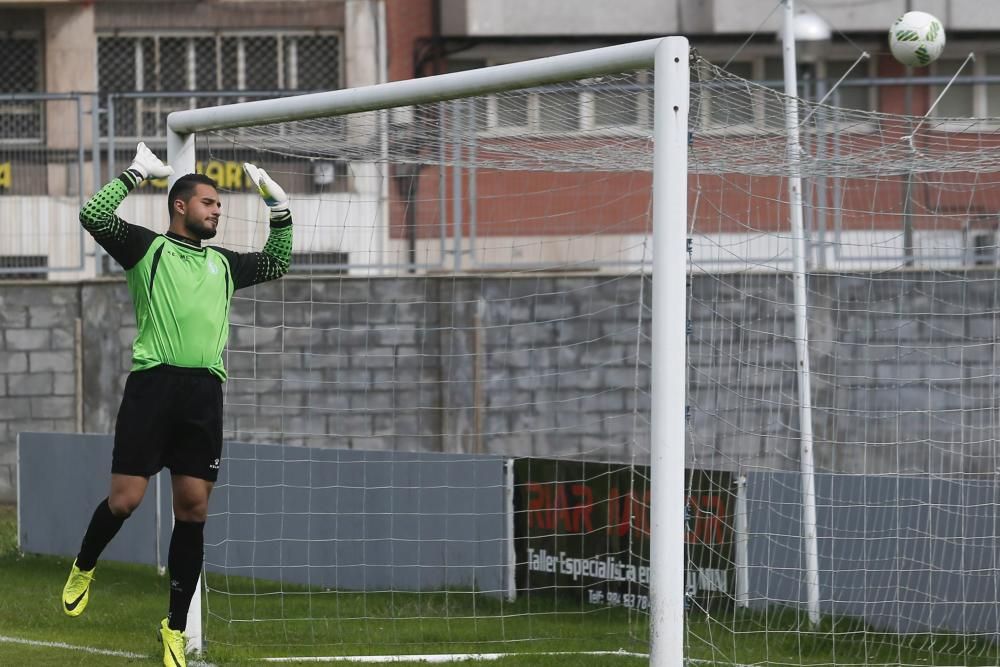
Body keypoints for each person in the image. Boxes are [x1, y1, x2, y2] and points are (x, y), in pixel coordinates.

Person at [61, 142, 293, 667]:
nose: (217, 211)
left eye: (219, 205)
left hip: (203, 395)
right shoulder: (147, 248)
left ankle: (173, 627)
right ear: (180, 206)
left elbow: (279, 260)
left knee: (193, 511)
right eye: (209, 203)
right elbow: (92, 213)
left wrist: (278, 207)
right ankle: (84, 563)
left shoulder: (224, 263)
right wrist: (138, 171)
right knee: (125, 501)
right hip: (153, 388)